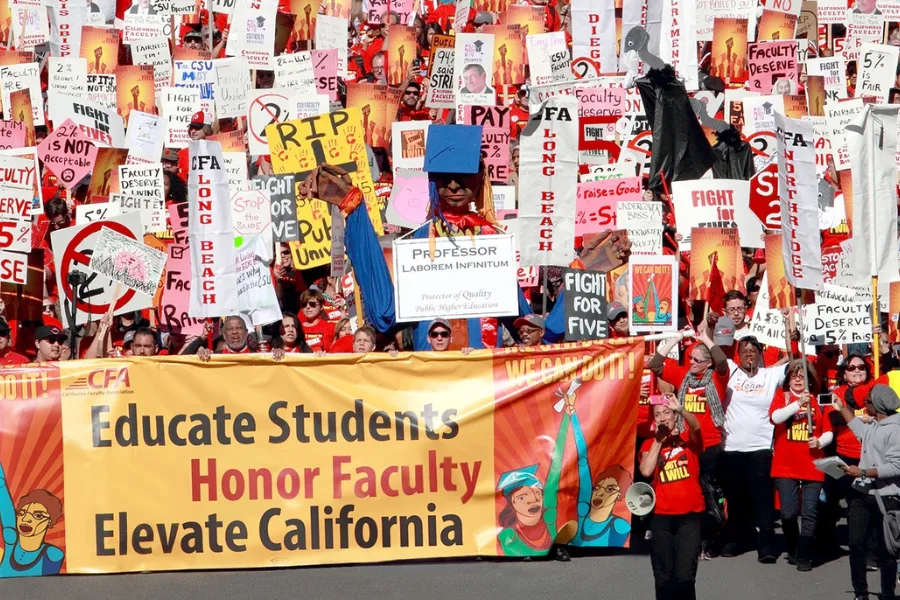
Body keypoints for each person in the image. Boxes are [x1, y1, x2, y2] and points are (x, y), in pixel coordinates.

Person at [650, 325, 728, 558]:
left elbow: (722, 363)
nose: (692, 362)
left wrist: (706, 338)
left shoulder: (716, 377)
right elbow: (655, 364)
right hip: (686, 444)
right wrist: (673, 340)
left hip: (710, 445)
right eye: (690, 358)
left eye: (697, 359)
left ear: (707, 363)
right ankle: (690, 538)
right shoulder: (682, 374)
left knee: (710, 493)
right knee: (691, 492)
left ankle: (711, 538)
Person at [718, 336, 788, 563]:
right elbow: (714, 354)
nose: (749, 354)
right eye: (744, 351)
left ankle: (766, 544)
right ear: (737, 354)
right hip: (731, 446)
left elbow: (796, 360)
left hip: (761, 447)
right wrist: (707, 328)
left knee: (762, 498)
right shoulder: (730, 371)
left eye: (753, 350)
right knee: (735, 497)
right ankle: (736, 538)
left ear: (760, 354)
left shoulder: (770, 375)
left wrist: (790, 330)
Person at [834, 385, 900, 600]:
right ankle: (860, 594)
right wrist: (842, 408)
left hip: (886, 497)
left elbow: (896, 467)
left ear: (879, 406)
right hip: (862, 494)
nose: (865, 404)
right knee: (856, 544)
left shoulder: (895, 430)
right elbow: (859, 431)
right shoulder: (873, 425)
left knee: (887, 551)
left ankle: (888, 594)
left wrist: (862, 471)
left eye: (868, 401)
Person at [768, 360, 833, 571]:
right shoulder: (782, 396)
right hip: (785, 466)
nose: (797, 378)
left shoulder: (820, 400)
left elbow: (829, 432)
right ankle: (793, 547)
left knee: (810, 512)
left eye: (801, 375)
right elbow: (776, 418)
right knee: (788, 512)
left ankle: (804, 555)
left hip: (812, 465)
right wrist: (797, 404)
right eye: (793, 375)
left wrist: (820, 442)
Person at [639, 393, 705, 600]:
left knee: (685, 577)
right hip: (662, 517)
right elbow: (646, 471)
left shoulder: (688, 440)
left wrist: (681, 409)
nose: (662, 417)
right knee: (663, 578)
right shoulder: (649, 445)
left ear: (674, 415)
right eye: (657, 414)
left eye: (666, 413)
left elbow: (696, 427)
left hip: (690, 516)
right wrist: (659, 440)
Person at [820, 354, 877, 556]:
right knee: (828, 500)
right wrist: (863, 418)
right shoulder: (836, 393)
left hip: (868, 457)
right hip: (842, 456)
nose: (857, 371)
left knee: (864, 504)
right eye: (851, 368)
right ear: (844, 374)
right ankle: (827, 544)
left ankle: (869, 551)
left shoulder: (874, 391)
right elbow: (833, 419)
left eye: (861, 367)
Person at [0, 460, 64, 576]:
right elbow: (1, 489)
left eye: (38, 516)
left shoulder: (52, 554)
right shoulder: (11, 540)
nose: (26, 519)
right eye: (22, 513)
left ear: (50, 521)